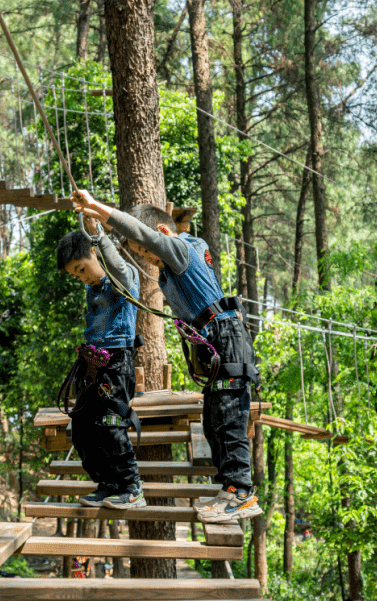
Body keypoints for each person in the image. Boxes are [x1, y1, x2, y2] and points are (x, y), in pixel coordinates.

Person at [73, 189, 263, 523]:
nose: (146, 257)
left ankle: (241, 493)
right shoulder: (172, 266)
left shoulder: (181, 250)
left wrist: (98, 208)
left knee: (229, 417)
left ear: (162, 234)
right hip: (214, 343)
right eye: (141, 254)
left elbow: (140, 232)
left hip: (225, 338)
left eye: (146, 250)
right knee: (215, 421)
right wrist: (96, 232)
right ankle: (229, 490)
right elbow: (129, 251)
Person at [56, 224, 145, 510]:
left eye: (82, 269)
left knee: (110, 424)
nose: (81, 277)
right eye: (74, 275)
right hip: (92, 366)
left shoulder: (124, 279)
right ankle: (107, 484)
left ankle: (131, 487)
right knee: (81, 426)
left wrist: (98, 234)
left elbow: (117, 267)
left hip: (116, 365)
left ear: (95, 252)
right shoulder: (91, 288)